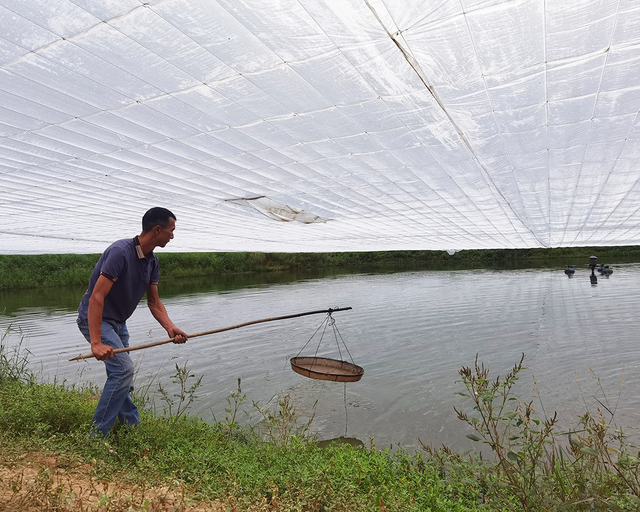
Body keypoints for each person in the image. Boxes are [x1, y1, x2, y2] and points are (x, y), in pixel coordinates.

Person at [76, 207, 188, 436]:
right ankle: (97, 437)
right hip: (95, 320)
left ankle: (131, 429)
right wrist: (96, 343)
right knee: (123, 370)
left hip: (118, 323)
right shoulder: (120, 252)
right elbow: (97, 297)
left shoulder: (152, 261)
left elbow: (154, 302)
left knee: (121, 376)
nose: (173, 236)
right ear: (157, 229)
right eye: (171, 230)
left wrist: (170, 327)